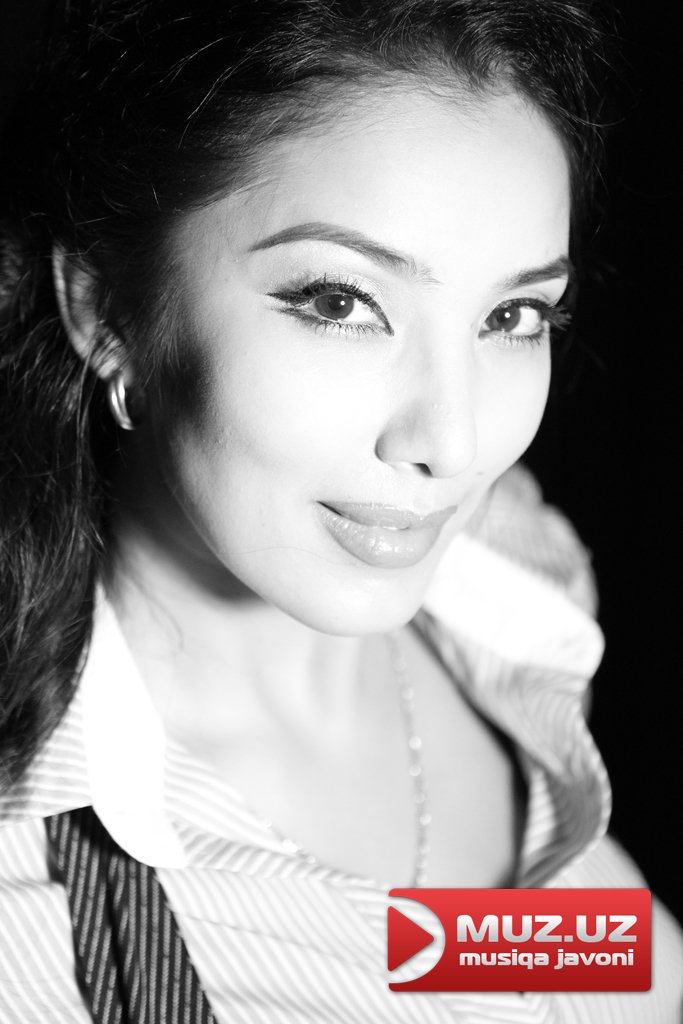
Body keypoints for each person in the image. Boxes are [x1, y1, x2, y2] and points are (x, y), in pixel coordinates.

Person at [0, 0, 681, 1020]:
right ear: (106, 310)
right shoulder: (37, 935)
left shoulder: (508, 578)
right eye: (339, 303)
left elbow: (475, 959)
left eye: (511, 315)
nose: (452, 443)